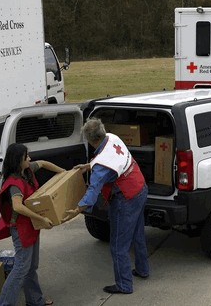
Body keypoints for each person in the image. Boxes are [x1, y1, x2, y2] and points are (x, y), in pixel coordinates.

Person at [63, 118, 149, 294]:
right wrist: (89, 166)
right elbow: (111, 160)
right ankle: (143, 269)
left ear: (91, 140)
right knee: (138, 234)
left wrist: (78, 209)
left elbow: (93, 192)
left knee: (118, 246)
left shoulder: (101, 166)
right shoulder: (112, 137)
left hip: (126, 198)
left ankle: (124, 284)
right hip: (140, 188)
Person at [0, 143, 65, 306]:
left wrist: (63, 172)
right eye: (27, 157)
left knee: (31, 266)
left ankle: (34, 300)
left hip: (31, 225)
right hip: (21, 229)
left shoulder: (27, 170)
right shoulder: (14, 184)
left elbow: (43, 163)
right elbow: (17, 206)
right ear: (19, 160)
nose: (30, 158)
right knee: (20, 268)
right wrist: (41, 219)